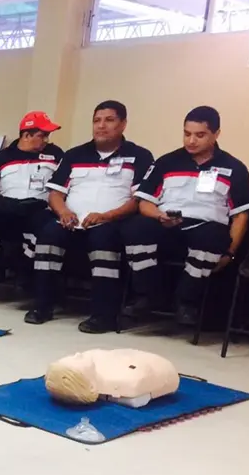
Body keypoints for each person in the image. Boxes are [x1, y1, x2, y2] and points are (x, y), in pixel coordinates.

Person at [25, 100, 153, 333]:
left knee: (102, 239)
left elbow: (138, 200)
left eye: (109, 120)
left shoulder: (140, 156)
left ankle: (103, 315)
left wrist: (107, 216)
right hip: (71, 221)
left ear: (123, 124)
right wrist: (63, 212)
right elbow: (55, 193)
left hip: (111, 222)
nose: (101, 126)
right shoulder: (75, 154)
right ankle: (42, 305)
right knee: (49, 233)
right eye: (96, 121)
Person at [123, 106, 249, 326]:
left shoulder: (233, 167)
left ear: (216, 134)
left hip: (205, 229)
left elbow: (241, 216)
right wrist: (159, 216)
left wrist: (230, 252)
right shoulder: (166, 162)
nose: (191, 141)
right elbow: (145, 202)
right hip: (166, 225)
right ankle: (147, 295)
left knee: (214, 237)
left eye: (200, 135)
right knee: (135, 228)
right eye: (187, 134)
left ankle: (186, 302)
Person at [0, 111, 64, 290]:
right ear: (26, 136)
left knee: (46, 223)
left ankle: (24, 269)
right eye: (42, 135)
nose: (46, 140)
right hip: (7, 208)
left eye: (47, 136)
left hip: (38, 209)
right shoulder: (1, 157)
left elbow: (63, 185)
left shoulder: (55, 154)